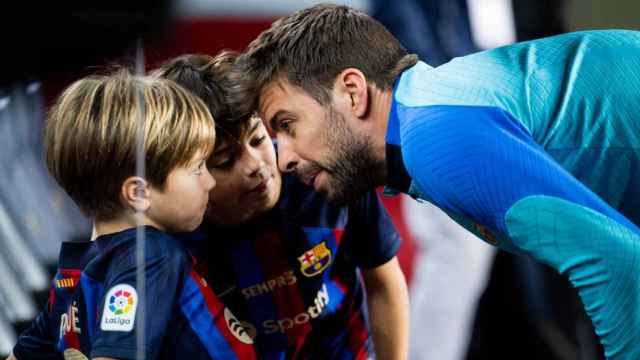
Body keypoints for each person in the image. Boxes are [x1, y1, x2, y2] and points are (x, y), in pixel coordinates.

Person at [226, 4, 640, 359]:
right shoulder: (432, 108)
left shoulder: (435, 138)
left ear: (352, 92)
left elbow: (620, 267)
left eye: (287, 124)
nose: (284, 158)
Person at [152, 53, 409, 359]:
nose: (255, 165)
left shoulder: (327, 176)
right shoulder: (167, 231)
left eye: (258, 139)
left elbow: (382, 280)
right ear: (187, 171)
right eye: (225, 160)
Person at [9, 70, 256, 359]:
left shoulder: (73, 274)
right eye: (198, 168)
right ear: (138, 193)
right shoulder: (149, 257)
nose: (210, 182)